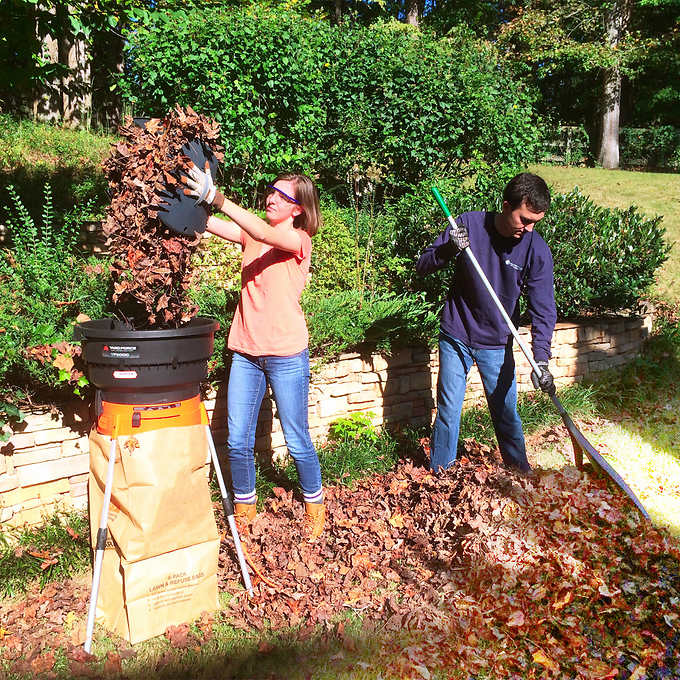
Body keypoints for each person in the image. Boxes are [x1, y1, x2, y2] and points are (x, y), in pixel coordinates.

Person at [179, 163, 325, 541]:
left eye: (282, 195)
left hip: (286, 354)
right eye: (270, 191)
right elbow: (209, 224)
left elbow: (259, 228)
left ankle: (315, 506)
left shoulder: (299, 240)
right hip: (245, 351)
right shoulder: (252, 236)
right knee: (238, 440)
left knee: (297, 439)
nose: (271, 198)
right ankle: (244, 511)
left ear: (298, 209)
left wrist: (217, 197)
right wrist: (181, 201)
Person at [416, 172, 557, 474]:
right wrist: (448, 249)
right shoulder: (468, 224)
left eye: (535, 222)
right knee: (448, 410)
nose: (529, 228)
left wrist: (541, 360)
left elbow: (543, 308)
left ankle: (520, 474)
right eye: (524, 219)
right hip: (456, 334)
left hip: (496, 342)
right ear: (506, 206)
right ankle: (439, 477)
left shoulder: (535, 249)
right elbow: (423, 265)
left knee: (505, 413)